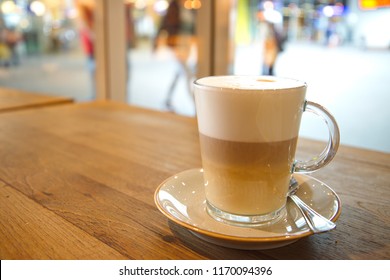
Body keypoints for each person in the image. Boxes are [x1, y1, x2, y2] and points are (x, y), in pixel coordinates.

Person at [153, 0, 197, 111]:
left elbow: (194, 27)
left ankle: (168, 98)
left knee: (178, 72)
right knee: (187, 73)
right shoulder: (173, 7)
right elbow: (163, 24)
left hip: (187, 45)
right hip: (177, 44)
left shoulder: (190, 7)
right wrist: (155, 41)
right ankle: (196, 101)